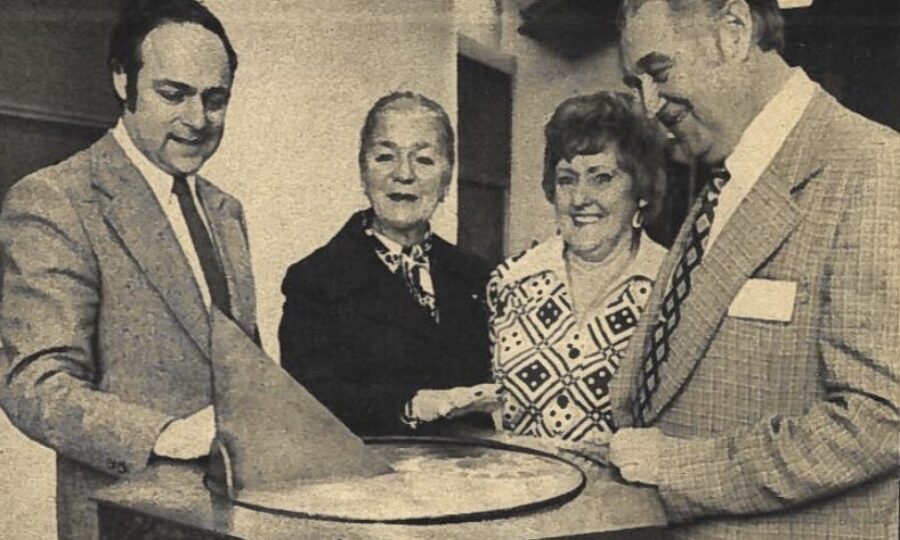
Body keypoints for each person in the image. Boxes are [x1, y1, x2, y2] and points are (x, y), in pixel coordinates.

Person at [607, 1, 900, 539]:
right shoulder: (725, 177)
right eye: (636, 83)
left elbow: (882, 418)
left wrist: (680, 468)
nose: (649, 105)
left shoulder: (876, 169)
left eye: (659, 71)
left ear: (733, 31)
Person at [0, 1, 257, 538]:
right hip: (127, 524)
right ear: (123, 80)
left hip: (231, 519)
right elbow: (34, 383)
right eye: (173, 94)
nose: (197, 119)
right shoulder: (56, 199)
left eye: (215, 99)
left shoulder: (225, 210)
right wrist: (164, 435)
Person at [408, 92, 668, 448]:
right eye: (566, 179)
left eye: (601, 177)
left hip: (621, 495)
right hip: (524, 485)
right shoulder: (510, 281)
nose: (580, 198)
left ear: (640, 189)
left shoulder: (672, 287)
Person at [278, 91, 492, 437]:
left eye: (423, 160)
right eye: (385, 157)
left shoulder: (476, 275)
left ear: (447, 180)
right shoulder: (314, 279)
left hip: (469, 475)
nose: (403, 173)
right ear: (363, 172)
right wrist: (410, 406)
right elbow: (307, 399)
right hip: (368, 479)